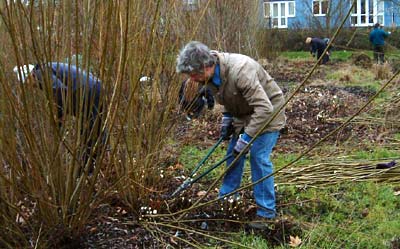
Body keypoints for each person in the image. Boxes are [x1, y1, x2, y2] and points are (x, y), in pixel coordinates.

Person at [176, 41, 286, 229]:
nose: (192, 79)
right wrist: (227, 119)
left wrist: (246, 138)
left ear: (205, 66)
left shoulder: (241, 71)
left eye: (193, 74)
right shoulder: (209, 76)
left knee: (258, 157)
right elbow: (228, 96)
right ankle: (227, 198)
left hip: (269, 112)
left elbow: (264, 108)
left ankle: (266, 213)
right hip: (243, 114)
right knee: (232, 154)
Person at [13, 62, 105, 173]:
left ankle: (86, 171)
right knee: (91, 131)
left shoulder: (41, 74)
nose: (30, 87)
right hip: (92, 89)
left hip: (90, 92)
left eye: (27, 83)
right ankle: (87, 169)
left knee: (92, 131)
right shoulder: (46, 69)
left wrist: (59, 118)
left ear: (29, 76)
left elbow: (61, 92)